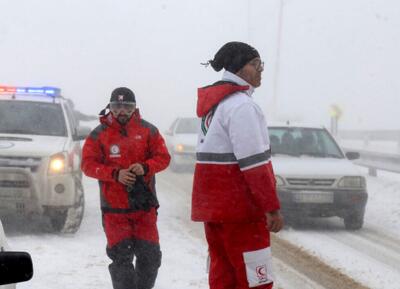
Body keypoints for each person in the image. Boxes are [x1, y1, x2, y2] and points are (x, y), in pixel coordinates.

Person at [192, 42, 284, 289]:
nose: (261, 70)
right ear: (239, 68)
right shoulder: (242, 106)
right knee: (256, 281)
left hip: (215, 211)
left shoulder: (213, 106)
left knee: (224, 277)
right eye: (255, 64)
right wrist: (271, 207)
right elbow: (254, 165)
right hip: (241, 212)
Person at [81, 87, 170, 289]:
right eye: (117, 106)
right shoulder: (98, 134)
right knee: (121, 262)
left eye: (127, 107)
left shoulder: (148, 130)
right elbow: (87, 165)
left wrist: (145, 167)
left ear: (135, 108)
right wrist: (115, 175)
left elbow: (163, 158)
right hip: (114, 211)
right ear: (110, 107)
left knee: (150, 258)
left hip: (144, 208)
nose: (122, 112)